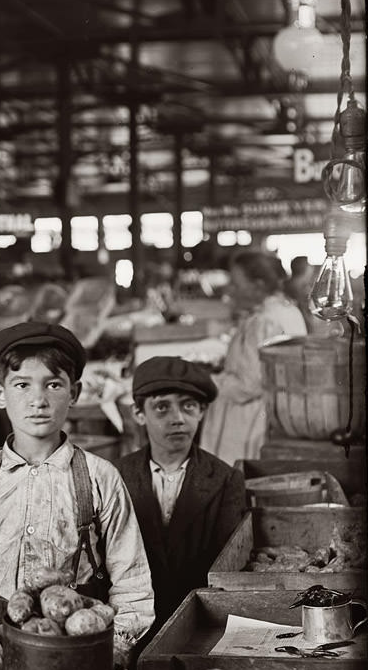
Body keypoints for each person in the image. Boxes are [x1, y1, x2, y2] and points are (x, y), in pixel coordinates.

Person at [0, 320, 155, 669]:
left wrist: (113, 649)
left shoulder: (100, 479)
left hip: (77, 657)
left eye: (53, 384)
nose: (38, 400)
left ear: (74, 393)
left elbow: (133, 585)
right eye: (21, 385)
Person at [115, 357, 246, 632]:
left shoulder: (226, 479)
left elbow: (227, 568)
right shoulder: (116, 476)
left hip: (200, 624)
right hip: (131, 624)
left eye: (188, 406)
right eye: (162, 407)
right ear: (139, 414)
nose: (177, 419)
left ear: (201, 412)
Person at [200, 250, 306, 466]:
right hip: (274, 420)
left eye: (236, 284)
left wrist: (205, 380)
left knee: (237, 486)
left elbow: (247, 385)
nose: (230, 289)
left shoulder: (263, 322)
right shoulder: (288, 311)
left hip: (248, 425)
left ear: (257, 286)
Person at [285, 255, 321, 333]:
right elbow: (311, 320)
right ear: (305, 269)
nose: (312, 267)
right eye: (309, 265)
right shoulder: (301, 291)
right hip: (297, 332)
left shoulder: (286, 285)